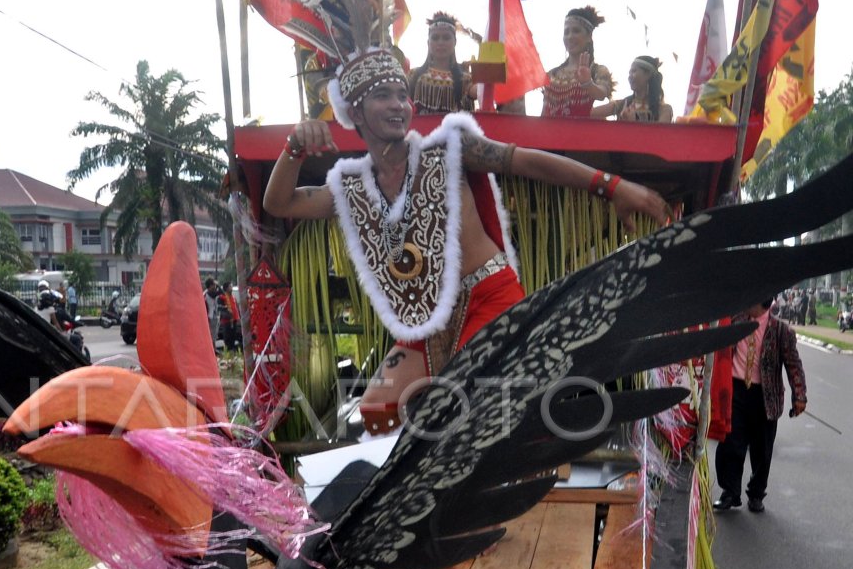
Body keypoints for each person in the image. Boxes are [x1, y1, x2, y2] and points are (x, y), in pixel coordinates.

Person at [264, 47, 668, 435]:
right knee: (376, 411)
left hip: (489, 297)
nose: (397, 104)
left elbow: (525, 160)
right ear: (354, 112)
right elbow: (280, 202)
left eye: (403, 95)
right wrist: (295, 147)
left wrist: (610, 186)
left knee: (468, 410)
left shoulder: (451, 149)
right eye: (382, 95)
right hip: (426, 319)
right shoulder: (352, 187)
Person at [713, 300, 807, 513]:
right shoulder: (735, 321)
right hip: (735, 389)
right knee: (730, 443)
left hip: (765, 396)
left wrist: (799, 395)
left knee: (761, 449)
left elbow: (794, 365)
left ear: (760, 302)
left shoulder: (781, 331)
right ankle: (730, 492)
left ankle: (756, 493)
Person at [541, 6, 615, 118]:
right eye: (566, 32)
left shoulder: (597, 71)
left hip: (582, 134)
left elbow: (601, 94)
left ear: (589, 36)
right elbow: (544, 113)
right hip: (549, 134)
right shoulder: (552, 73)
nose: (570, 36)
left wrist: (587, 83)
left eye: (576, 31)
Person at [408, 12, 473, 115]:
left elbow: (481, 92)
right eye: (435, 38)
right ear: (428, 42)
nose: (440, 42)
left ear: (455, 42)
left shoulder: (466, 80)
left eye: (446, 38)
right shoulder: (412, 75)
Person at [591, 56, 673, 122]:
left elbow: (661, 136)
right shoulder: (621, 104)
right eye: (629, 73)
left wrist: (634, 122)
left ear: (648, 75)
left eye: (634, 71)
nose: (629, 76)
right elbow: (588, 114)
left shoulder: (664, 109)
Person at [203, 278, 221, 345]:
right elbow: (221, 292)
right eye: (213, 285)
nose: (215, 286)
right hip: (210, 317)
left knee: (213, 335)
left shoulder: (208, 293)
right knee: (211, 336)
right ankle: (212, 350)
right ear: (210, 286)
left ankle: (213, 350)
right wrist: (218, 285)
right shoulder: (209, 293)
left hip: (214, 316)